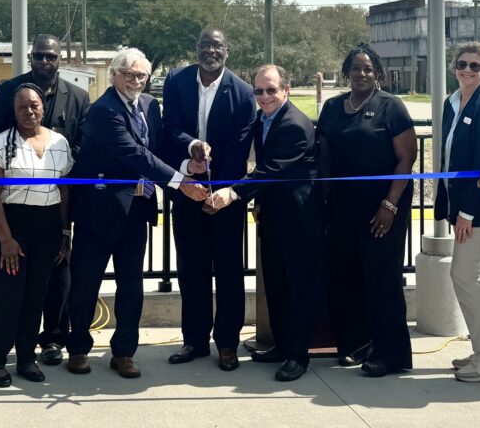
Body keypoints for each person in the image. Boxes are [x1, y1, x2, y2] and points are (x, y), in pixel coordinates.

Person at [65, 48, 211, 378]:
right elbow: (134, 154)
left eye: (141, 75)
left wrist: (188, 162)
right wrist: (181, 183)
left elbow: (155, 150)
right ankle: (78, 348)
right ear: (114, 75)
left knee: (131, 285)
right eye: (129, 74)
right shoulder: (103, 111)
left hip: (136, 210)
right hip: (98, 212)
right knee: (86, 282)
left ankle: (124, 352)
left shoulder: (148, 105)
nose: (136, 81)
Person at [0, 34, 89, 366]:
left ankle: (52, 339)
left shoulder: (78, 96)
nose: (45, 62)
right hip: (10, 207)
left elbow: (83, 142)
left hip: (53, 206)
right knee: (4, 281)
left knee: (55, 278)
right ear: (31, 58)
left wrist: (58, 165)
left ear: (60, 59)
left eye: (51, 57)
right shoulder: (9, 89)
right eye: (39, 56)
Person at [208, 65, 320, 382]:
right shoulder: (262, 120)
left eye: (271, 90)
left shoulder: (295, 124)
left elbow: (271, 170)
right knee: (277, 285)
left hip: (298, 219)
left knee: (297, 287)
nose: (264, 96)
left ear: (285, 89)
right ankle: (281, 346)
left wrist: (233, 192)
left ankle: (298, 356)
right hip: (272, 216)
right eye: (258, 91)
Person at [317, 44, 417, 377]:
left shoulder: (391, 106)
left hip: (382, 210)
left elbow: (407, 158)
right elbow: (324, 155)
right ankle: (356, 344)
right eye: (356, 68)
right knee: (345, 276)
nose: (362, 74)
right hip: (342, 208)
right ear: (347, 72)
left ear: (378, 73)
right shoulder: (332, 107)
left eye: (368, 68)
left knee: (381, 279)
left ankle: (391, 354)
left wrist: (389, 205)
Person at [161, 28, 257, 372]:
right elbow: (169, 129)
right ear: (196, 48)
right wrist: (191, 151)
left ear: (227, 50)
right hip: (186, 190)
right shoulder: (176, 81)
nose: (210, 51)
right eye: (205, 45)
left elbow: (238, 149)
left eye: (217, 46)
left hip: (225, 198)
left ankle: (227, 344)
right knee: (191, 270)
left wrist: (219, 191)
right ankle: (195, 340)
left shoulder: (243, 93)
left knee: (229, 272)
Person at [0, 83, 72, 386]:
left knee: (35, 295)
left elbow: (64, 191)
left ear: (43, 107)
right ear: (14, 111)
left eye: (34, 105)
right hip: (10, 226)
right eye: (22, 106)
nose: (29, 111)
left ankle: (26, 359)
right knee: (8, 296)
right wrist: (6, 240)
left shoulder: (60, 143)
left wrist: (65, 232)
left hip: (47, 226)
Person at [433, 42, 480, 382]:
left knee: (463, 275)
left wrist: (467, 213)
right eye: (462, 64)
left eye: (475, 66)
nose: (467, 70)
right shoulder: (452, 103)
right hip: (461, 206)